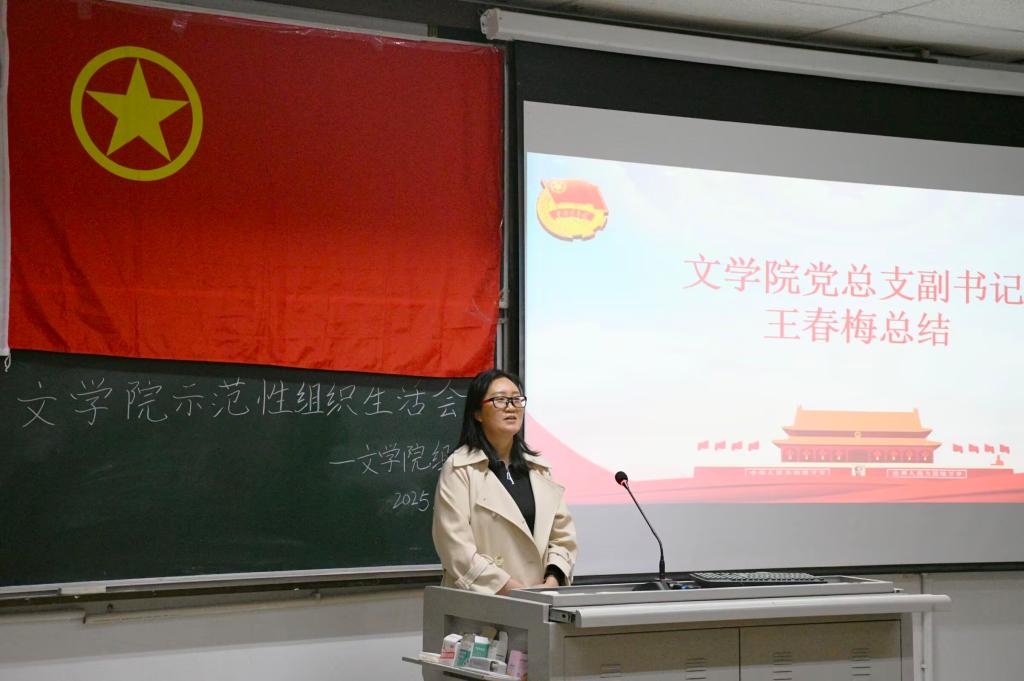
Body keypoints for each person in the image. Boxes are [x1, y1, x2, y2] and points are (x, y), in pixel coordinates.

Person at [432, 368, 577, 595]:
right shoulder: (460, 468)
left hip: (540, 599)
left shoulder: (538, 469)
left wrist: (552, 581)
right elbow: (456, 550)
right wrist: (514, 591)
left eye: (516, 399)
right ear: (478, 413)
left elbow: (562, 538)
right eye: (500, 400)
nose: (511, 407)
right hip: (485, 601)